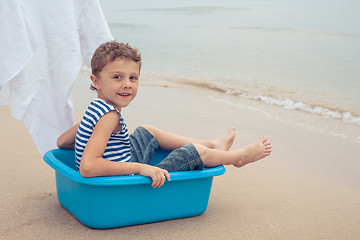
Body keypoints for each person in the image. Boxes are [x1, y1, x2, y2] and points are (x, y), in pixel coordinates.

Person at [57, 41, 272, 188]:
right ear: (96, 81)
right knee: (194, 152)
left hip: (120, 165)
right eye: (117, 77)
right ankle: (237, 159)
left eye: (133, 78)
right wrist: (142, 168)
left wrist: (89, 137)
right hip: (125, 180)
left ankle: (213, 144)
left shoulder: (95, 109)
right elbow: (88, 167)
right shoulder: (109, 116)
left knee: (147, 131)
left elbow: (62, 142)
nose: (127, 85)